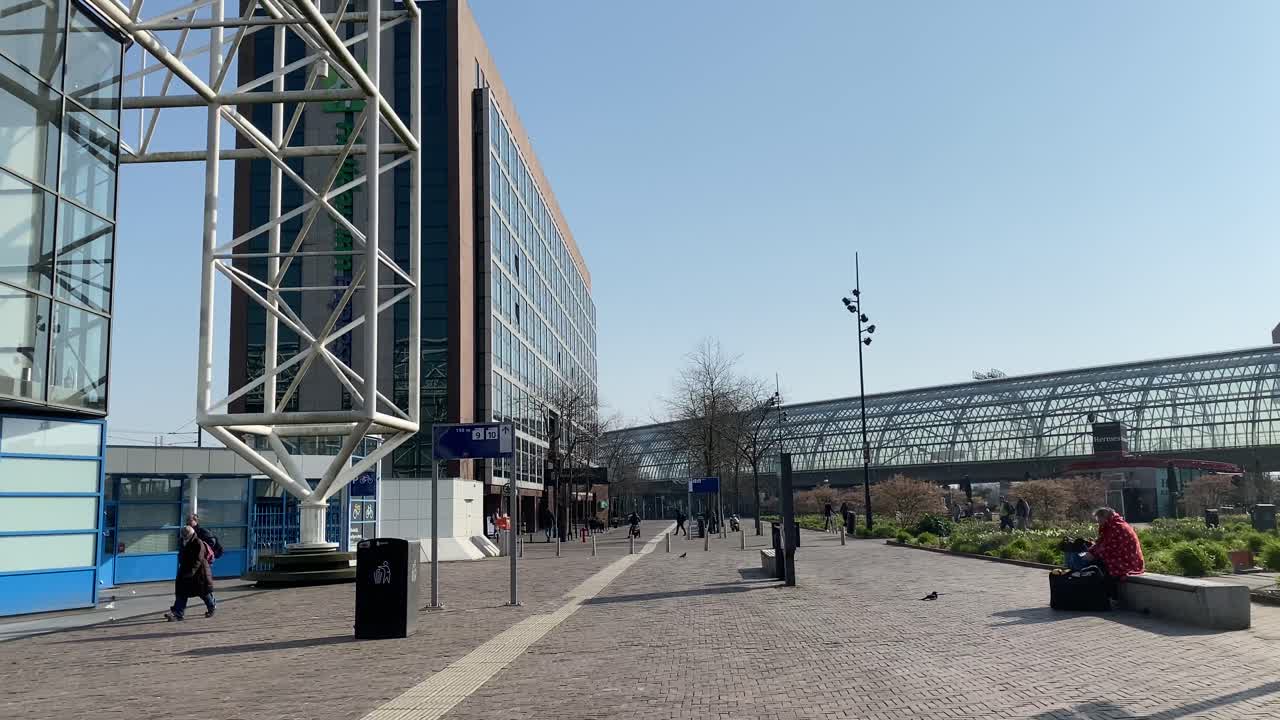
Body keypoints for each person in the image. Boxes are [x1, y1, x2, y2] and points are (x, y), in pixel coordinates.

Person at [1066, 508, 1145, 578]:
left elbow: (1112, 548)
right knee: (1078, 557)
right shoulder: (1111, 526)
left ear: (1105, 518)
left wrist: (1094, 555)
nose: (1099, 523)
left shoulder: (1117, 527)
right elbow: (1101, 543)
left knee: (1084, 564)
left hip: (1127, 561)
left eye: (1100, 520)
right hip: (1118, 557)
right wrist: (1091, 552)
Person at [165, 526, 215, 621]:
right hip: (185, 571)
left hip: (199, 573)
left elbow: (198, 560)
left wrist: (190, 572)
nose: (184, 537)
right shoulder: (182, 542)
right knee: (181, 593)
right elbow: (181, 554)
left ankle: (211, 607)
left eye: (186, 535)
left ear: (191, 534)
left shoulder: (198, 543)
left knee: (203, 593)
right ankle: (178, 613)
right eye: (183, 535)